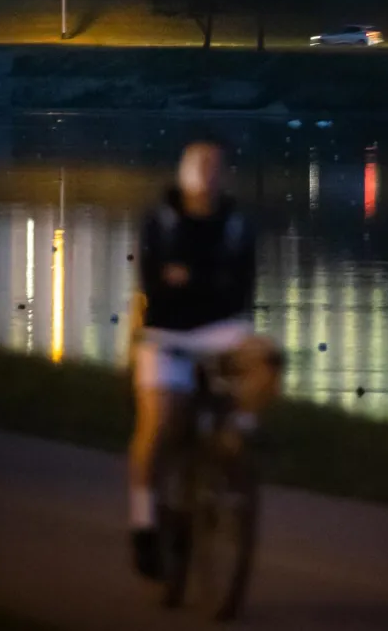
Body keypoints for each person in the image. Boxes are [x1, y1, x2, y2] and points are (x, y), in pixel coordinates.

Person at [128, 138, 280, 580]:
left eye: (216, 164)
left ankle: (241, 433)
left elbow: (243, 288)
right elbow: (155, 284)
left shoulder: (235, 224)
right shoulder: (160, 221)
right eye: (201, 163)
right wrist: (208, 282)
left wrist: (191, 280)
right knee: (158, 425)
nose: (209, 172)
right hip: (166, 333)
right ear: (185, 169)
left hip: (221, 330)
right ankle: (144, 525)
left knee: (266, 360)